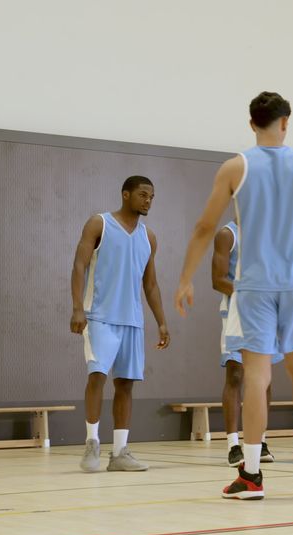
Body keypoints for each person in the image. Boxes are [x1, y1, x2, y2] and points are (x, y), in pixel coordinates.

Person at [175, 92, 293, 499]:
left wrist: (184, 279)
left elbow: (203, 227)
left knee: (256, 376)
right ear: (286, 123)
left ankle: (250, 476)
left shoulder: (236, 167)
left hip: (254, 286)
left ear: (252, 124)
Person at [70, 175, 170, 473]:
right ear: (126, 195)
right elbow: (79, 265)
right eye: (143, 195)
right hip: (99, 316)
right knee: (97, 377)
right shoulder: (98, 224)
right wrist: (77, 308)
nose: (148, 200)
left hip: (132, 321)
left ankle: (120, 452)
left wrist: (162, 322)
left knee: (125, 384)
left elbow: (150, 285)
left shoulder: (148, 237)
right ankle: (91, 443)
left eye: (151, 196)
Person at [212, 221, 282, 467]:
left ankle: (259, 440)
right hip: (236, 314)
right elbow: (218, 280)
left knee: (264, 379)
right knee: (235, 375)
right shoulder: (227, 234)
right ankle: (233, 445)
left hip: (266, 315)